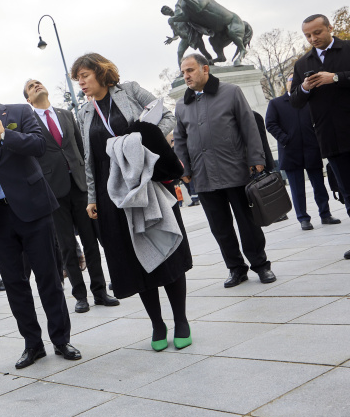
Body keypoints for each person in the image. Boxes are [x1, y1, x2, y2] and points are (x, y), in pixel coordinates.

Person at [0, 74, 80, 369]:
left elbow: (39, 146)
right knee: (14, 283)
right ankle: (33, 344)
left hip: (33, 209)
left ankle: (61, 340)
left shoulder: (20, 112)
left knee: (49, 276)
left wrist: (3, 135)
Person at [75, 53, 193, 351]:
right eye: (78, 78)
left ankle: (180, 319)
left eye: (85, 75)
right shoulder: (84, 113)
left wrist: (143, 140)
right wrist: (91, 197)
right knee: (134, 258)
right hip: (111, 192)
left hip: (146, 182)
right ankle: (157, 323)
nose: (81, 83)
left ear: (101, 72)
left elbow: (167, 117)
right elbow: (90, 159)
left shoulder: (129, 90)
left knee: (166, 248)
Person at [174, 53, 276, 287]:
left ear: (205, 69)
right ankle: (235, 268)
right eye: (183, 72)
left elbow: (249, 127)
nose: (186, 76)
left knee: (248, 223)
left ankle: (261, 265)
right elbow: (180, 140)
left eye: (190, 70)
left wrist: (256, 158)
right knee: (220, 228)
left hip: (236, 171)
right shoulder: (182, 104)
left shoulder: (231, 92)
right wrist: (184, 169)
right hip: (203, 176)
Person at [23, 78, 120, 313]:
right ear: (27, 99)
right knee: (66, 245)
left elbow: (82, 148)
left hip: (79, 186)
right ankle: (80, 295)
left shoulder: (66, 114)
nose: (36, 85)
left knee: (90, 240)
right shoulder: (28, 122)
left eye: (38, 82)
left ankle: (99, 291)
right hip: (52, 192)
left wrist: (91, 183)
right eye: (30, 86)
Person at [290, 14, 350, 239]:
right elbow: (295, 101)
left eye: (317, 32)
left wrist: (335, 78)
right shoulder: (302, 64)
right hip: (330, 137)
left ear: (330, 28)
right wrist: (304, 87)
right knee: (346, 191)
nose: (313, 38)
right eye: (308, 35)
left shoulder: (348, 49)